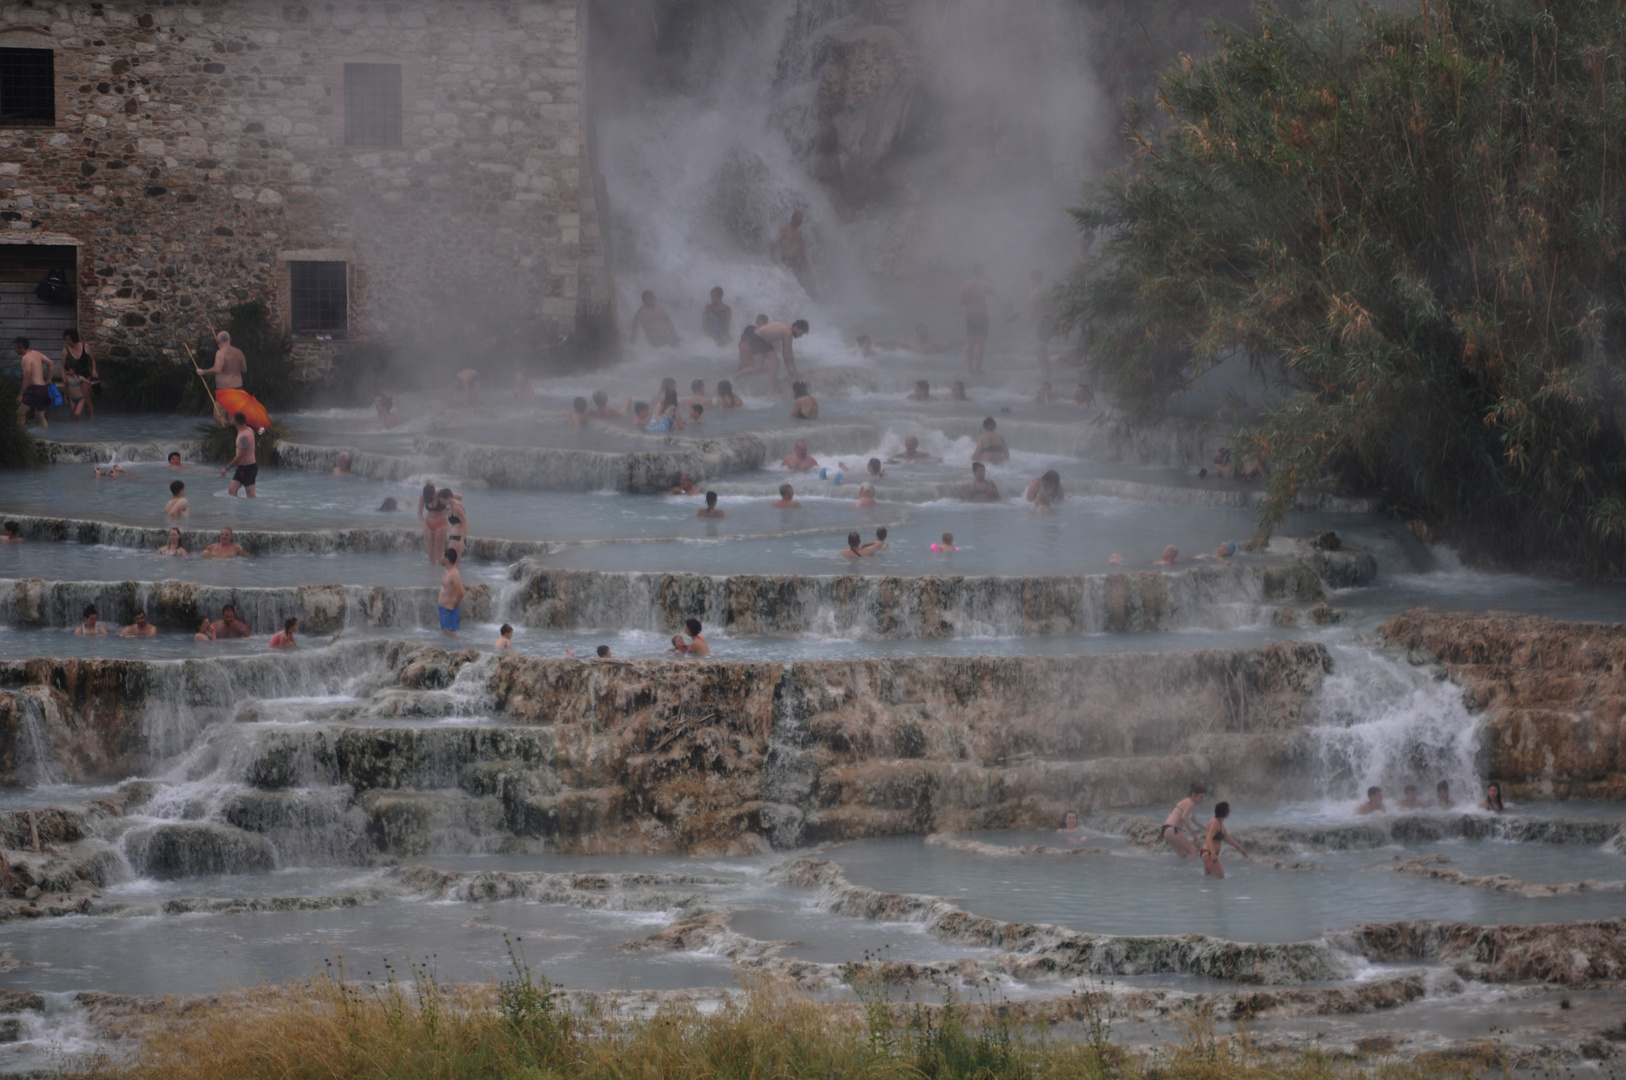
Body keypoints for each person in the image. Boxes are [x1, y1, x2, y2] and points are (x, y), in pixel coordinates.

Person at [958, 264, 994, 375]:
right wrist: (990, 279)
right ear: (982, 272)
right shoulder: (984, 284)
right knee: (980, 344)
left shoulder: (965, 285)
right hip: (982, 314)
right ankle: (977, 369)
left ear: (973, 272)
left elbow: (961, 301)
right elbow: (993, 293)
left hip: (970, 315)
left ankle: (970, 368)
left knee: (971, 343)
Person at [1201, 801, 1250, 878]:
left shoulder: (1220, 822)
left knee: (1209, 880)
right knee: (1220, 878)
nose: (1230, 811)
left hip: (1208, 853)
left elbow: (1227, 838)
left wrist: (1240, 848)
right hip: (1209, 853)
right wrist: (1213, 854)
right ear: (1225, 812)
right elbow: (1208, 839)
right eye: (1228, 810)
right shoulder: (1215, 823)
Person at [14, 337, 53, 428]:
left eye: (15, 348)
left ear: (21, 347)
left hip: (36, 390)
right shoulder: (36, 353)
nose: (14, 350)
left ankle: (21, 436)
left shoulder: (26, 358)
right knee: (39, 416)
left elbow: (27, 377)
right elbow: (51, 363)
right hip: (43, 389)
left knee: (20, 413)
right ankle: (46, 435)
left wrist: (20, 395)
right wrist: (49, 379)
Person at [1161, 784, 1206, 859]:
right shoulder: (1191, 803)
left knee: (1182, 855)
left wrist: (1207, 829)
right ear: (1194, 795)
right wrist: (1192, 832)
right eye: (1200, 797)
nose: (1202, 800)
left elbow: (1196, 821)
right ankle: (1192, 870)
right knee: (1193, 850)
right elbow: (1184, 817)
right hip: (1173, 829)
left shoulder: (1187, 803)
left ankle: (1181, 870)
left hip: (1166, 830)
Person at [219, 411, 258, 498]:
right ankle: (237, 510)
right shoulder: (249, 430)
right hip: (242, 468)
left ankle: (251, 511)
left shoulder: (243, 436)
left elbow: (240, 457)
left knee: (251, 495)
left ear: (235, 422)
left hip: (249, 468)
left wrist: (227, 468)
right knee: (232, 491)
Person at [61, 329, 97, 420]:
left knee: (87, 401)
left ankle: (91, 422)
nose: (67, 341)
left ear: (74, 338)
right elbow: (62, 366)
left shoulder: (86, 346)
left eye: (68, 339)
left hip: (84, 377)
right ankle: (76, 426)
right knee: (73, 406)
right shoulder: (65, 350)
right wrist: (64, 379)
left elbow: (92, 359)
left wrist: (94, 369)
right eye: (66, 339)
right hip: (73, 378)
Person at [770, 210, 810, 290]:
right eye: (798, 221)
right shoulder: (784, 229)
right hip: (787, 261)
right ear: (793, 219)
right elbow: (773, 242)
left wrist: (804, 260)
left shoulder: (799, 231)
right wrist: (772, 257)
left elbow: (801, 247)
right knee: (791, 282)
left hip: (797, 260)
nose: (799, 223)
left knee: (802, 280)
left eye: (801, 221)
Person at [1027, 270, 1056, 377]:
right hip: (1051, 320)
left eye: (1030, 279)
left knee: (1039, 347)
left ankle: (1044, 372)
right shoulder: (1047, 290)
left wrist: (1025, 330)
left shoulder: (1034, 294)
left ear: (1033, 279)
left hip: (1045, 322)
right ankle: (1047, 369)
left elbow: (1031, 313)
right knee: (1042, 346)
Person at [418, 483, 451, 566]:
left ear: (434, 494)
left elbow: (458, 497)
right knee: (430, 554)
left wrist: (448, 509)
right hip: (428, 524)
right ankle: (432, 577)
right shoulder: (423, 496)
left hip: (440, 524)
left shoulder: (441, 493)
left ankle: (441, 574)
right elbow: (419, 513)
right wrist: (425, 527)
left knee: (439, 554)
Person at [438, 548, 465, 638]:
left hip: (449, 610)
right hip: (444, 609)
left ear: (447, 559)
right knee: (446, 634)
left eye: (442, 556)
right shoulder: (448, 571)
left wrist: (453, 605)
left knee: (451, 635)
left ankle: (456, 651)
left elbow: (461, 592)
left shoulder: (454, 574)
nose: (440, 558)